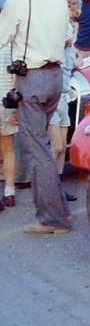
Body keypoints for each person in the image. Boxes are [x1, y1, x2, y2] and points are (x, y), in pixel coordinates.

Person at [0, 0, 72, 233]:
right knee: (44, 145)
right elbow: (68, 36)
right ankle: (61, 210)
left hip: (33, 78)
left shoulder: (20, 0)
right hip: (55, 77)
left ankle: (51, 219)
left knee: (37, 149)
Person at [48, 0, 80, 202]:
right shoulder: (57, 30)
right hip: (55, 91)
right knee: (57, 145)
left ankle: (57, 184)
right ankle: (48, 185)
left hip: (65, 91)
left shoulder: (69, 29)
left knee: (62, 145)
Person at [0, 40, 17, 209]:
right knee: (8, 150)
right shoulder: (10, 44)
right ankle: (9, 192)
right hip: (6, 102)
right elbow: (15, 76)